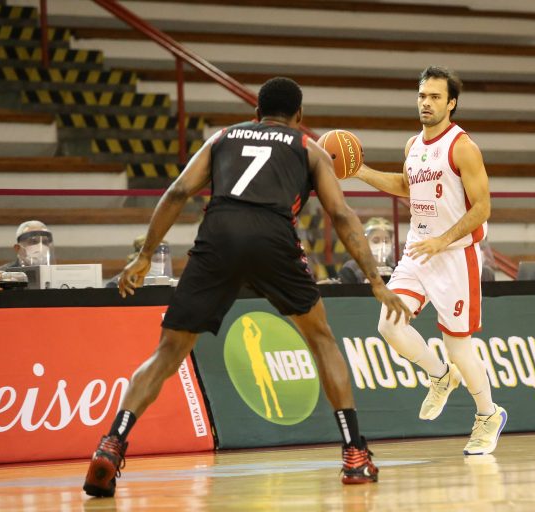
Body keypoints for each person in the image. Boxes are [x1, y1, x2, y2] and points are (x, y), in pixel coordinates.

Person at [83, 77, 411, 498]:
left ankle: (112, 442)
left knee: (168, 352)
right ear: (299, 116)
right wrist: (375, 281)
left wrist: (145, 255)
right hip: (273, 235)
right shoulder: (307, 147)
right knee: (321, 339)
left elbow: (179, 191)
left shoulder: (222, 137)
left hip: (218, 233)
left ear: (256, 113)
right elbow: (342, 215)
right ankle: (354, 454)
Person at [353, 66, 507, 455]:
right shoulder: (413, 145)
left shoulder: (463, 147)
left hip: (455, 256)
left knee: (459, 347)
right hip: (418, 251)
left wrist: (443, 240)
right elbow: (405, 186)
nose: (426, 103)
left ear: (451, 103)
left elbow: (483, 207)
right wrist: (361, 171)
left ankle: (488, 415)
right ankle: (439, 376)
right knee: (389, 325)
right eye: (422, 95)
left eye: (435, 97)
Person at [338, 217, 395, 284]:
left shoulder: (396, 270)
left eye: (386, 241)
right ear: (365, 243)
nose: (382, 245)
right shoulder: (350, 270)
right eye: (376, 241)